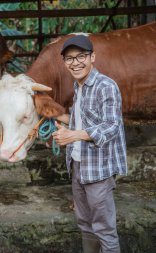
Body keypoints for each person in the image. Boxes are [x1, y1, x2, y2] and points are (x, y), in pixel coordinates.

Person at [52, 35, 127, 253]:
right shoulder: (79, 87)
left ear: (92, 57)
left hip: (98, 169)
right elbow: (83, 120)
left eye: (81, 56)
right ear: (65, 63)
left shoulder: (106, 86)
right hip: (77, 165)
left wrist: (73, 135)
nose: (75, 63)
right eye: (69, 59)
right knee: (85, 224)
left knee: (104, 228)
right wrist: (62, 123)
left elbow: (112, 126)